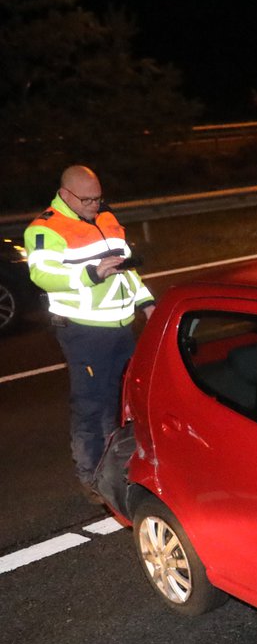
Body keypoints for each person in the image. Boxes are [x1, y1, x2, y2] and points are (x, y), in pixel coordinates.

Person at [25, 164, 155, 498]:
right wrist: (90, 274)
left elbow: (125, 271)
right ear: (66, 195)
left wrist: (147, 304)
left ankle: (119, 463)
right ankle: (91, 476)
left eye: (99, 199)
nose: (95, 206)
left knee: (123, 398)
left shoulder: (106, 218)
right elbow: (43, 275)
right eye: (87, 201)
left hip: (121, 326)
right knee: (91, 404)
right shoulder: (45, 229)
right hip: (84, 331)